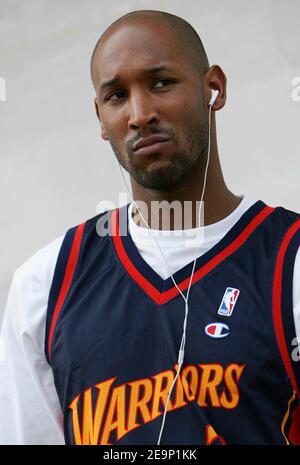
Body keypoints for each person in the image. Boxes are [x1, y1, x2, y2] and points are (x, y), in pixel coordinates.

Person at [0, 9, 300, 446]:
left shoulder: (290, 262)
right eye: (117, 96)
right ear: (101, 118)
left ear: (213, 88)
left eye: (161, 83)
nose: (140, 114)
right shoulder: (43, 286)